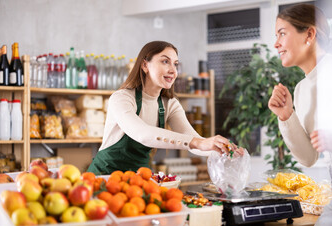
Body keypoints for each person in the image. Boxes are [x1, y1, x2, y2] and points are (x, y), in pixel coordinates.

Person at [88, 41, 244, 175]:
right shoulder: (122, 98)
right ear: (144, 65)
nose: (173, 70)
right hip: (104, 178)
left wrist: (223, 151)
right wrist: (198, 142)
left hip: (138, 181)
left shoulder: (169, 104)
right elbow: (142, 134)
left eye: (175, 64)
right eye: (165, 61)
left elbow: (192, 141)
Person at [268, 3, 332, 226]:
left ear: (310, 35)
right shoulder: (302, 88)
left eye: (282, 33)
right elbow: (308, 157)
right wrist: (286, 116)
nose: (276, 44)